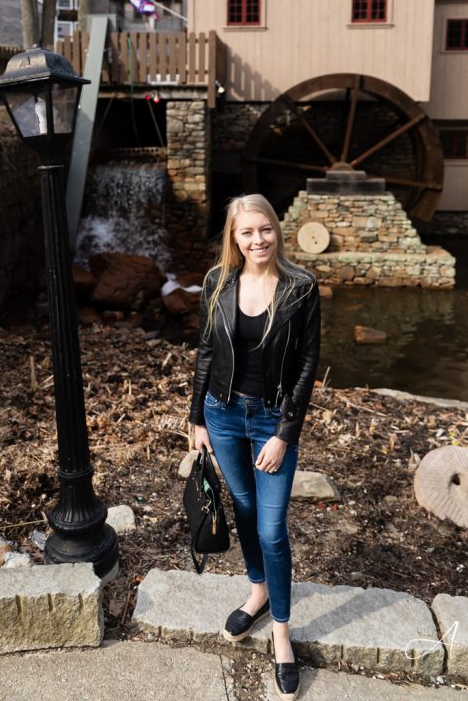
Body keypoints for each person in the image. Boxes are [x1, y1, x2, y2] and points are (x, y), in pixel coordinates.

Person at [189, 194, 320, 701]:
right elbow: (205, 349)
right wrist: (196, 416)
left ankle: (282, 634)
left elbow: (308, 364)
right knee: (243, 509)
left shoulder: (301, 287)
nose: (257, 240)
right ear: (234, 237)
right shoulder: (216, 282)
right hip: (222, 414)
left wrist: (285, 434)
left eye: (264, 230)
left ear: (276, 230)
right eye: (247, 233)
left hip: (271, 418)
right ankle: (258, 592)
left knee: (272, 528)